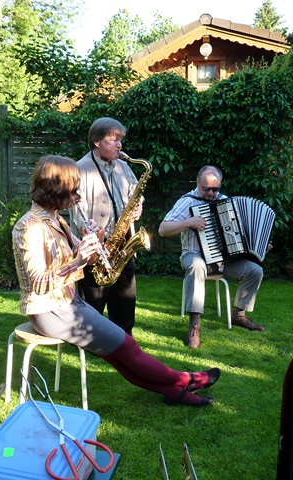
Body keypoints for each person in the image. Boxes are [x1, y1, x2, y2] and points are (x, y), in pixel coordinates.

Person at [13, 155, 219, 406]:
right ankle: (186, 379)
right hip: (50, 310)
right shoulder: (30, 227)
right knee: (127, 347)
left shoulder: (57, 219)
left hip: (68, 302)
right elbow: (37, 283)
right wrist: (78, 260)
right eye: (73, 189)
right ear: (56, 189)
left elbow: (85, 257)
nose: (77, 195)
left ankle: (175, 393)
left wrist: (93, 240)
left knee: (116, 354)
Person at [158, 165, 269, 349]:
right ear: (197, 183)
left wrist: (259, 246)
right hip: (193, 254)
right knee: (197, 266)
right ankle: (194, 325)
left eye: (215, 189)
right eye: (206, 188)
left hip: (221, 260)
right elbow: (163, 229)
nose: (211, 193)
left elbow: (240, 236)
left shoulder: (225, 202)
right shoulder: (187, 201)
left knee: (255, 271)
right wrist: (188, 222)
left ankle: (239, 315)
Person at [69, 117, 142, 336]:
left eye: (120, 140)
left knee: (125, 299)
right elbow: (76, 210)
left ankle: (125, 338)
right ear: (97, 142)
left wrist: (138, 206)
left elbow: (136, 193)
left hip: (123, 243)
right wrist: (91, 234)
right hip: (95, 246)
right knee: (93, 299)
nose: (120, 145)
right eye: (114, 140)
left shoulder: (123, 167)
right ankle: (89, 340)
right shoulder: (79, 169)